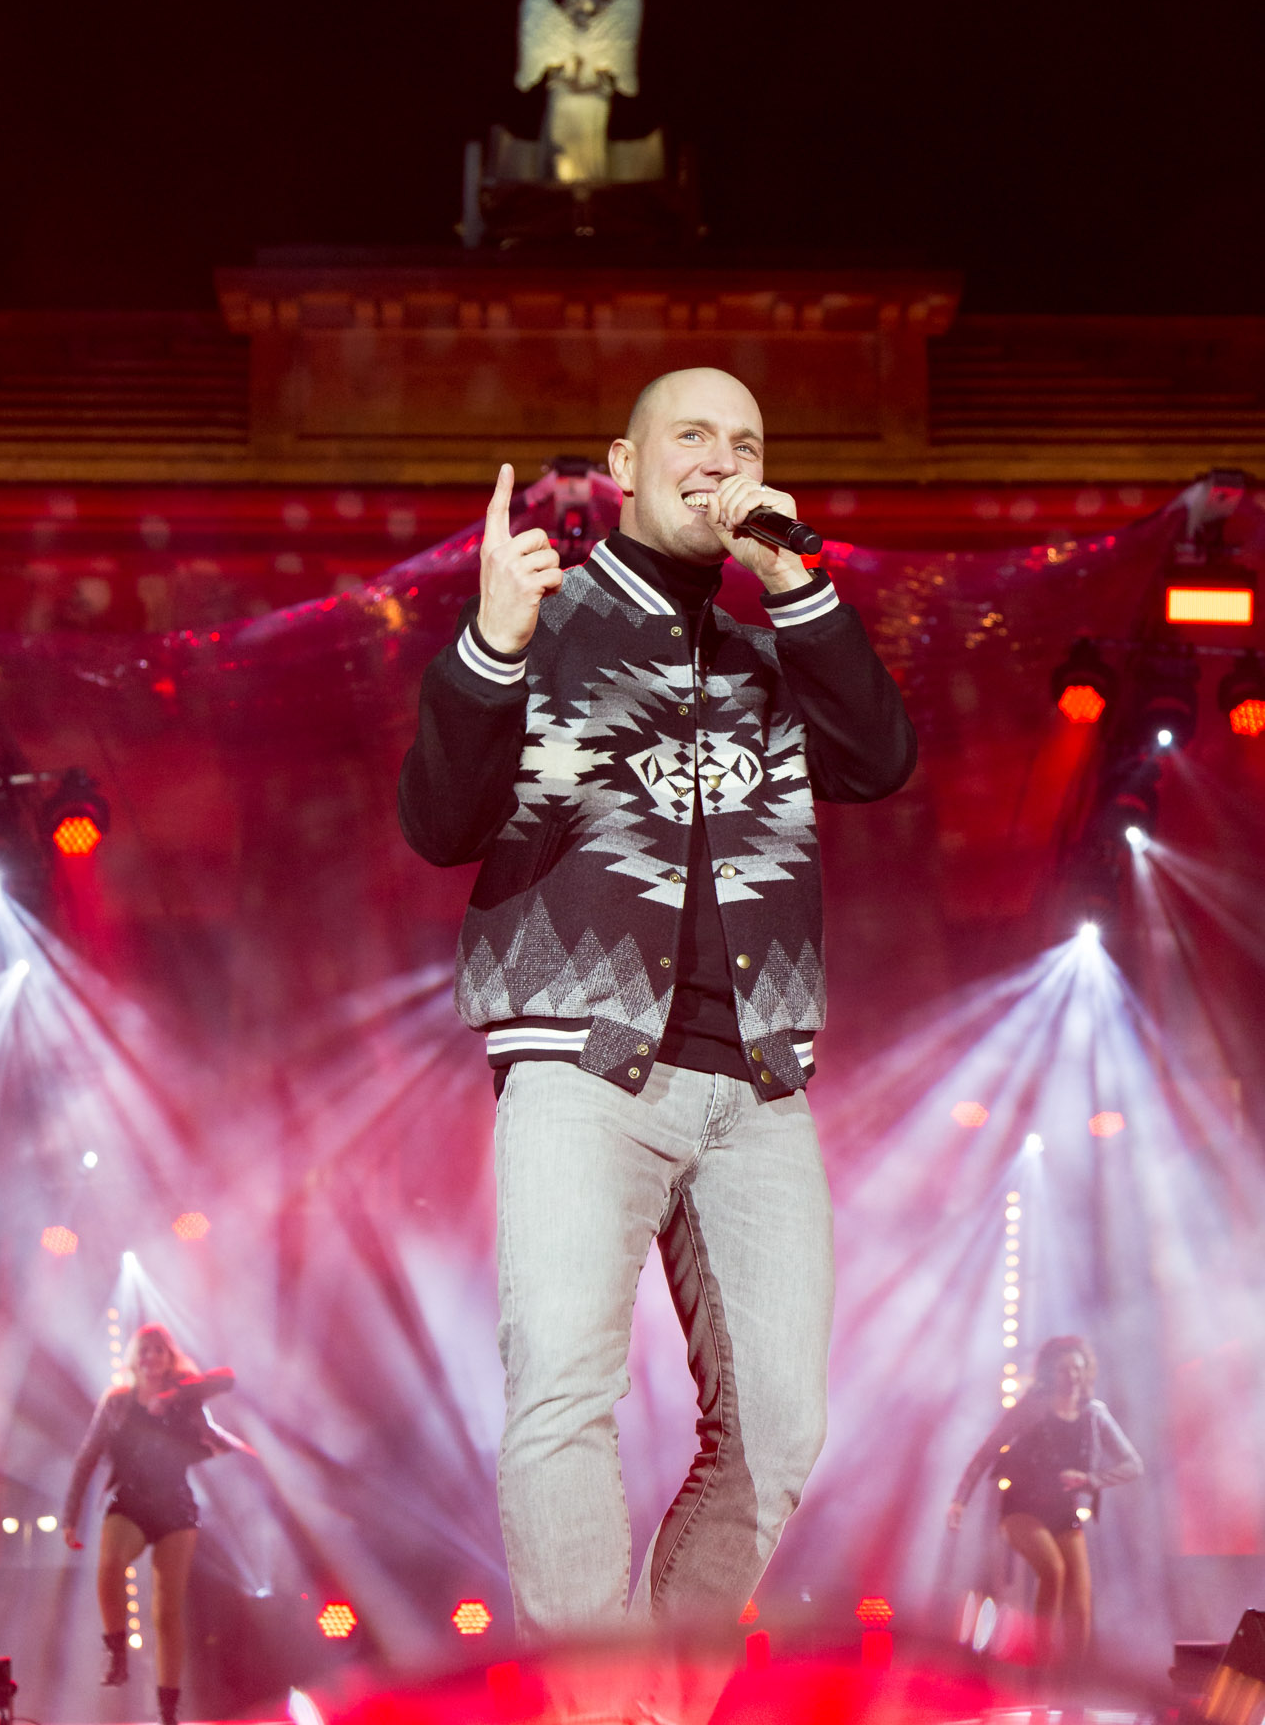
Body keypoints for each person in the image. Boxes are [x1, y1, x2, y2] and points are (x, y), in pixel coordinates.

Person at [399, 365, 916, 1640]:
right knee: (564, 1396)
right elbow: (438, 821)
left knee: (783, 1424)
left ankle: (667, 1697)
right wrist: (492, 642)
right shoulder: (544, 622)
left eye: (744, 437)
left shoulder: (769, 648)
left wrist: (797, 579)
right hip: (583, 1060)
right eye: (690, 434)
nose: (719, 456)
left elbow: (878, 759)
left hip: (756, 1078)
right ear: (624, 466)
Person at [62, 1322, 244, 1725]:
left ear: (168, 1357)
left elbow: (226, 1382)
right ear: (134, 1358)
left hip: (175, 1507)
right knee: (109, 1568)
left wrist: (178, 1398)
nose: (150, 1358)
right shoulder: (116, 1402)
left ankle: (167, 1711)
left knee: (166, 1611)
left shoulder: (185, 1401)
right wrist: (69, 1517)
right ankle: (118, 1653)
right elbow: (86, 1458)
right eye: (143, 1351)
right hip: (130, 1502)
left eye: (158, 1351)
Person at [948, 1334, 1142, 1664]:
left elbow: (1132, 1464)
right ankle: (1039, 1665)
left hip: (1063, 1513)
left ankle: (1071, 1681)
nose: (1072, 1377)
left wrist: (1092, 1480)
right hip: (1022, 1510)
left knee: (1080, 1601)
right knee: (1053, 1569)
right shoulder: (1031, 1409)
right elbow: (986, 1452)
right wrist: (959, 1500)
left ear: (1087, 1372)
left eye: (1078, 1369)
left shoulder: (1094, 1415)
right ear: (1051, 1373)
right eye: (1065, 1369)